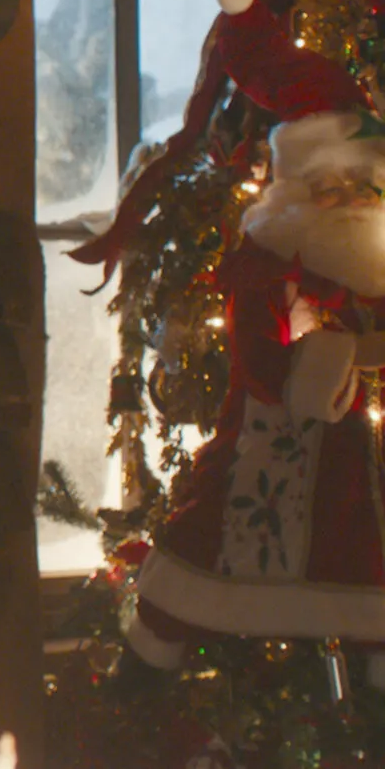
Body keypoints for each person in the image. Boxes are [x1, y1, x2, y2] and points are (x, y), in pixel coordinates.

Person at [124, 107, 385, 682]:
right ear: (298, 193)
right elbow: (266, 366)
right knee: (214, 538)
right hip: (266, 444)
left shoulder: (367, 272)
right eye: (332, 188)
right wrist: (350, 354)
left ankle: (369, 680)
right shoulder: (263, 269)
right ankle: (157, 658)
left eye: (363, 187)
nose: (352, 201)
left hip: (352, 458)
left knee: (358, 552)